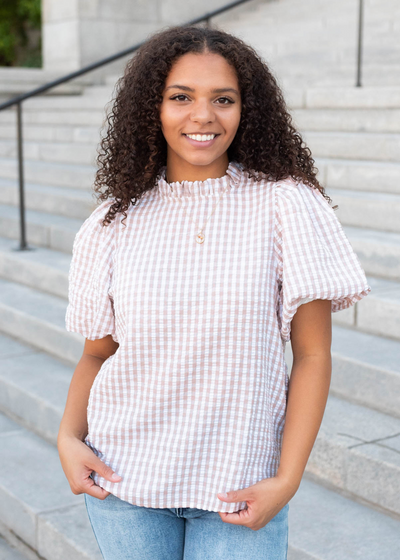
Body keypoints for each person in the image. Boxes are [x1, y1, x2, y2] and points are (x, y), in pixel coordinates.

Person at [57, 25, 371, 560]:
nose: (203, 116)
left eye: (222, 99)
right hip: (124, 478)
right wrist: (68, 438)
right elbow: (97, 354)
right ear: (151, 109)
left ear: (247, 109)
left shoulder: (286, 206)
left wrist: (288, 477)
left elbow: (313, 356)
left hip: (239, 482)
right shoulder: (114, 221)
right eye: (181, 97)